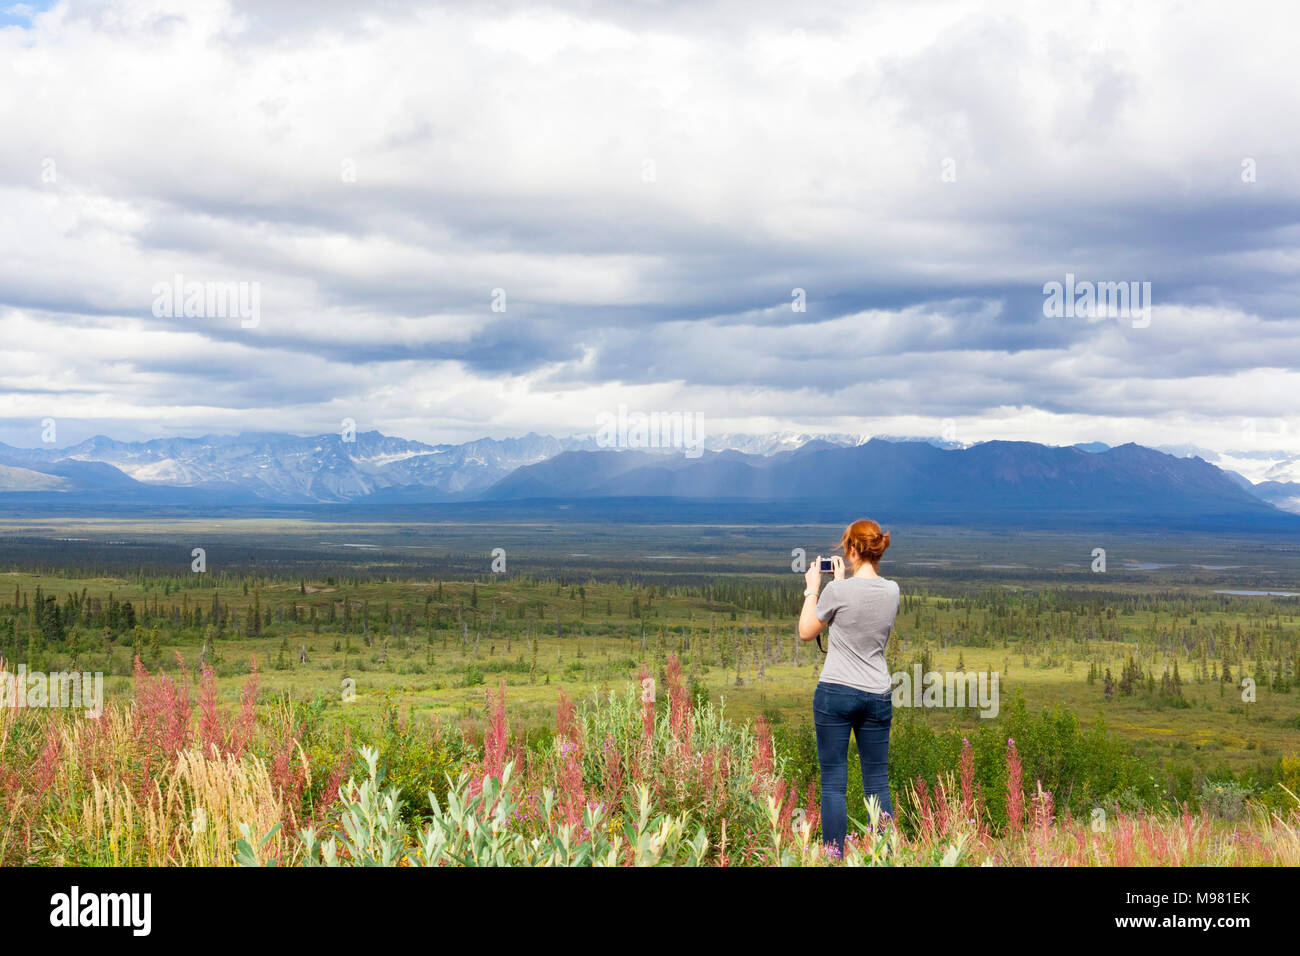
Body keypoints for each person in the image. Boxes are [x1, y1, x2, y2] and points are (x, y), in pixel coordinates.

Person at [798, 518, 899, 856]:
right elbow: (862, 617)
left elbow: (807, 631)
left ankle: (833, 857)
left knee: (833, 786)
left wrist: (814, 588)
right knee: (877, 783)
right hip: (877, 693)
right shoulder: (893, 590)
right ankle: (885, 856)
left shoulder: (835, 591)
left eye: (845, 547)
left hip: (836, 693)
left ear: (853, 549)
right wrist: (840, 585)